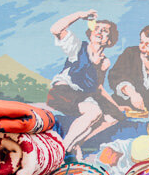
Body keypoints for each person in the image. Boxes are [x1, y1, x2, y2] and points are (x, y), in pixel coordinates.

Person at [47, 10, 131, 152]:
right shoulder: (78, 47)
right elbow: (55, 29)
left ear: (109, 40)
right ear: (90, 33)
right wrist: (80, 15)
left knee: (114, 117)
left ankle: (77, 143)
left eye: (104, 31)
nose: (99, 32)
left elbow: (98, 88)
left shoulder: (105, 62)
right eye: (96, 28)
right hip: (62, 92)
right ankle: (61, 149)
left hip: (81, 97)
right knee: (94, 112)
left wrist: (116, 107)